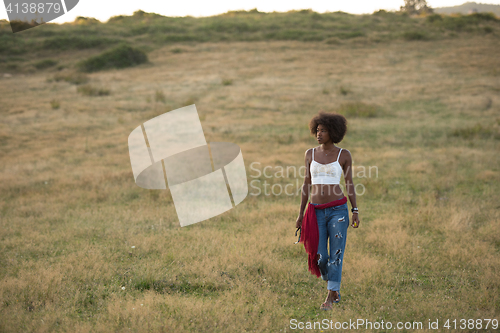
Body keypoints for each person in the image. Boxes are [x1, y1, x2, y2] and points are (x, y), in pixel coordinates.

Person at [295, 111, 360, 311]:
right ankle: (332, 284)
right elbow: (306, 184)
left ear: (333, 132)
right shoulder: (310, 154)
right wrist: (300, 214)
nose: (318, 134)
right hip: (315, 211)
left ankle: (331, 295)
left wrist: (354, 209)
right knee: (321, 256)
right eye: (317, 130)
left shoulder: (344, 155)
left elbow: (349, 184)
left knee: (336, 254)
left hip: (338, 210)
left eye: (323, 130)